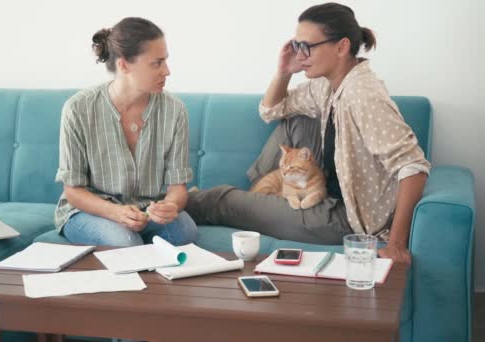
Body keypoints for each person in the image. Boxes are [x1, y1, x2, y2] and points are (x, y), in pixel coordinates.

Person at [185, 3, 430, 264]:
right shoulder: (328, 85)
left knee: (220, 201)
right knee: (295, 120)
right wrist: (284, 71)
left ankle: (163, 204)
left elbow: (413, 167)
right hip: (319, 184)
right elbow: (272, 110)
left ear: (341, 46)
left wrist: (396, 245)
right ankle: (257, 199)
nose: (301, 56)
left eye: (307, 47)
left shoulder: (363, 95)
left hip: (346, 216)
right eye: (297, 46)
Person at [54, 17, 197, 247]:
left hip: (144, 212)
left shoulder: (175, 110)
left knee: (184, 232)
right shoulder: (78, 109)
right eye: (157, 63)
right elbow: (73, 191)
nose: (167, 71)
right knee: (125, 241)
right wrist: (116, 213)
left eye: (166, 61)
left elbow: (177, 189)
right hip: (91, 211)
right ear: (124, 65)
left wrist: (170, 206)